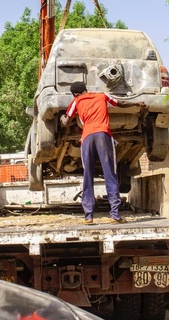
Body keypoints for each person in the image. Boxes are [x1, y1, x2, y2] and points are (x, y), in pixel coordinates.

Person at [60, 81, 141, 225]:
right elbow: (120, 103)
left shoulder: (76, 101)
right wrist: (137, 104)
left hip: (87, 138)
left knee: (88, 175)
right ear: (86, 89)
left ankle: (89, 216)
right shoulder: (102, 95)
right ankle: (115, 215)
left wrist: (62, 119)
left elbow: (66, 121)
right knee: (110, 173)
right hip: (103, 135)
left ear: (75, 94)